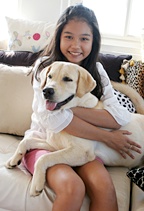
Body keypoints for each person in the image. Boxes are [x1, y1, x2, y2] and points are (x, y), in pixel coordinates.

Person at [22, 4, 141, 211]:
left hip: (81, 147)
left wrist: (70, 110)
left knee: (105, 189)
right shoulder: (44, 68)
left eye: (84, 38)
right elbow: (53, 119)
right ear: (58, 37)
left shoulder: (96, 71)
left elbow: (119, 115)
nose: (75, 45)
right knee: (72, 187)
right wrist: (107, 136)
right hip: (43, 142)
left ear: (93, 42)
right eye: (68, 36)